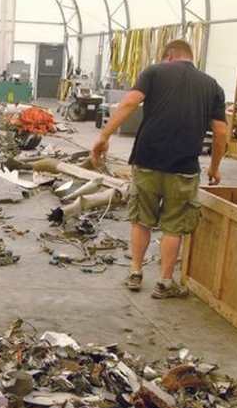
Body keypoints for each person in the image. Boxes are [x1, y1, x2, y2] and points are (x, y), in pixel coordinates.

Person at [91, 39, 227, 299]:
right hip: (184, 166)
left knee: (141, 219)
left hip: (147, 160)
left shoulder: (154, 72)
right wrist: (215, 167)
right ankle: (165, 283)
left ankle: (135, 272)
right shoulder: (212, 85)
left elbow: (130, 103)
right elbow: (221, 132)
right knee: (173, 226)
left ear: (169, 56)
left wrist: (104, 136)